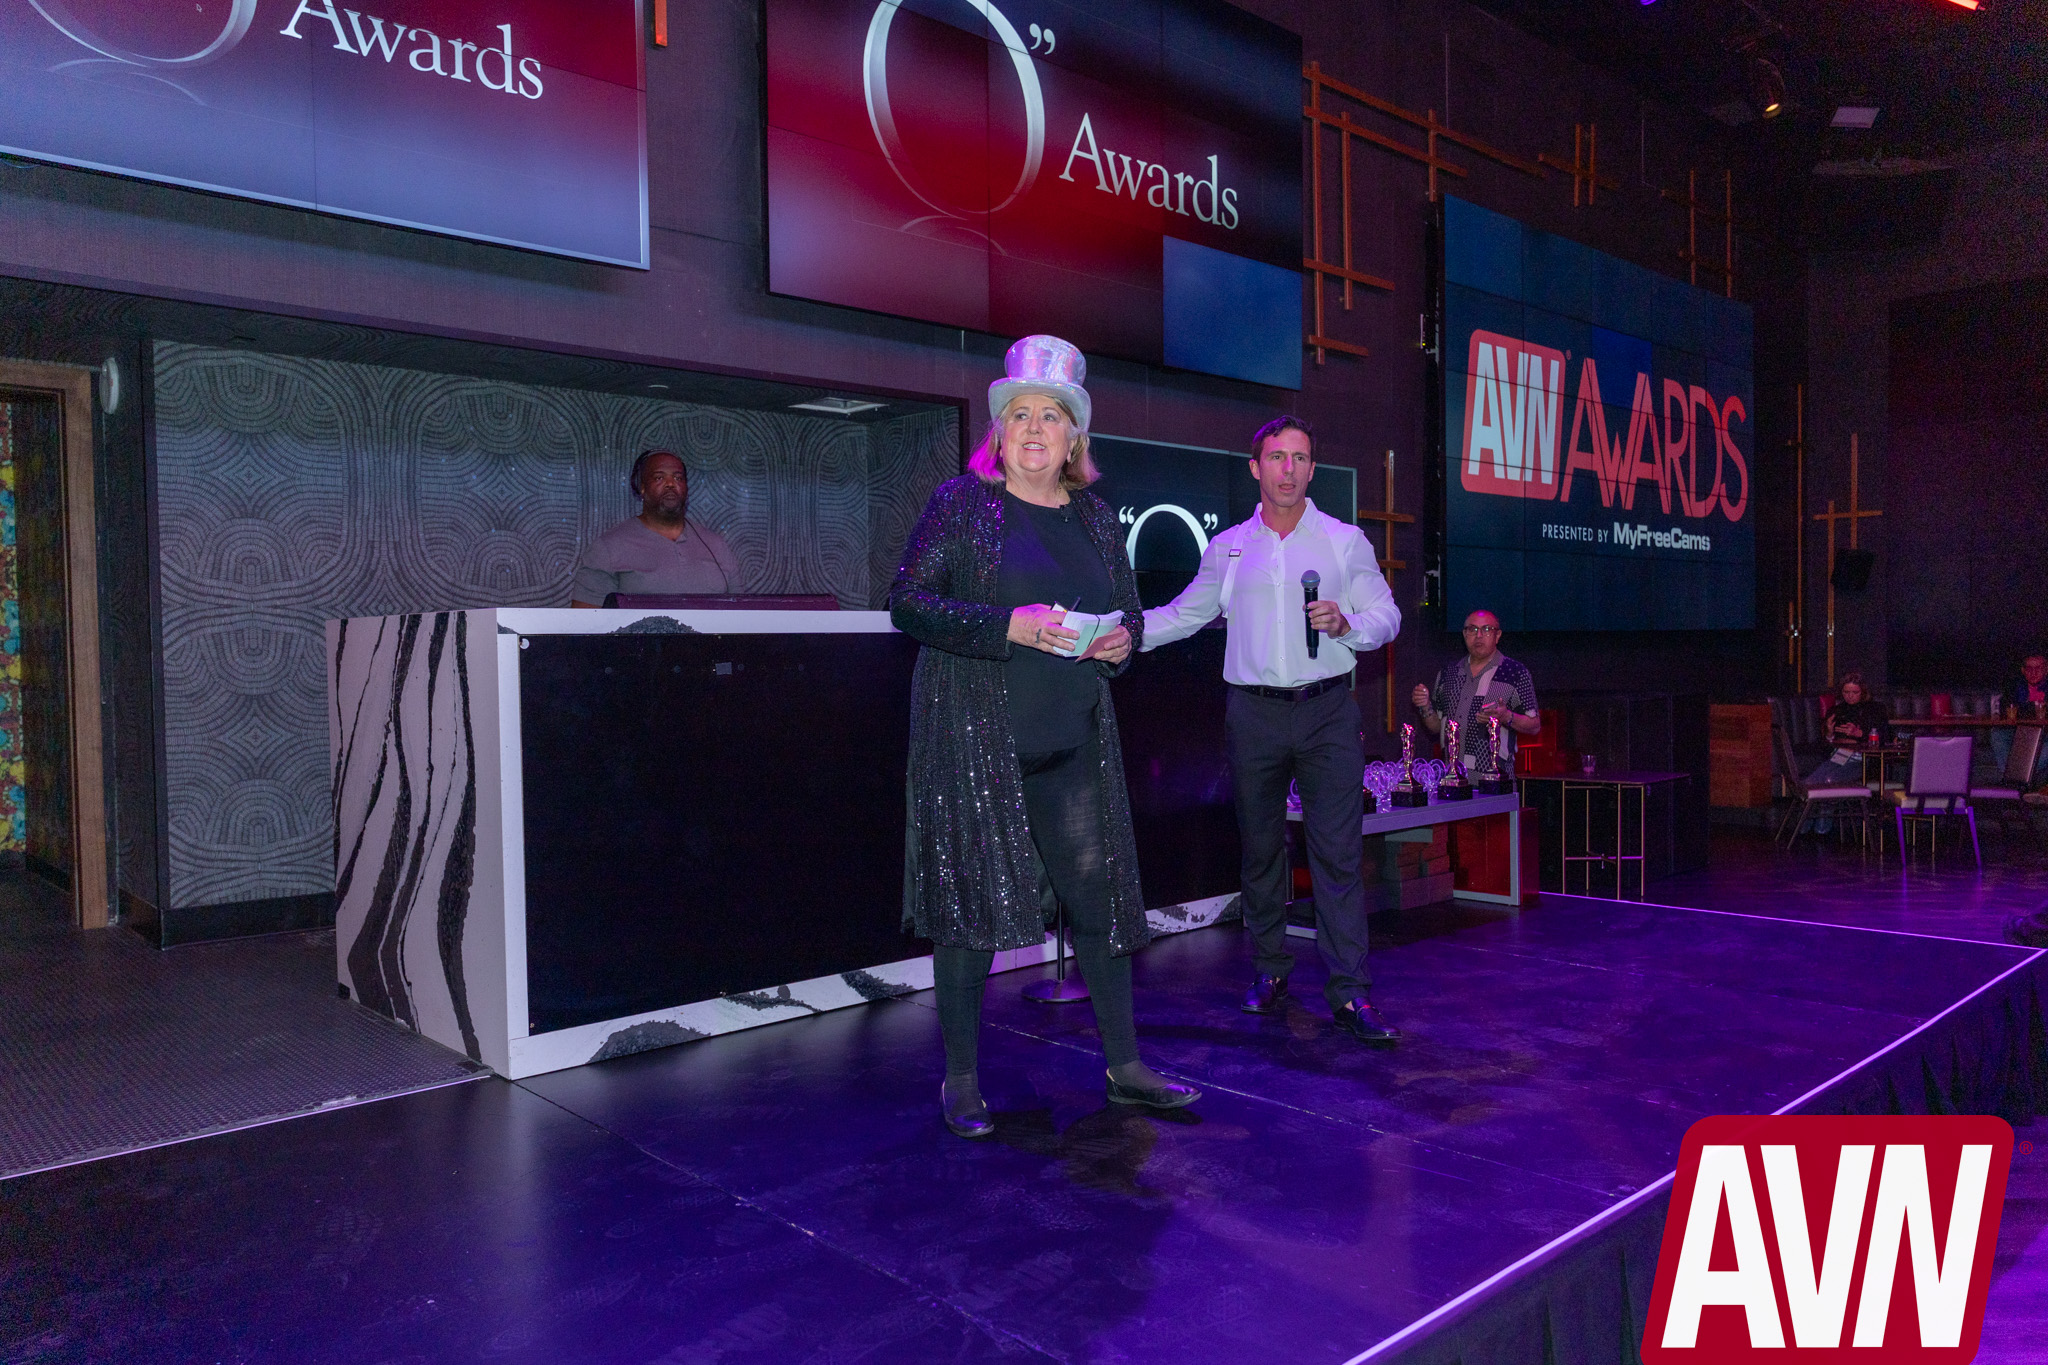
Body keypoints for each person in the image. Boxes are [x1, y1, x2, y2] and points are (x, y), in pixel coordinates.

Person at [890, 334, 1197, 1139]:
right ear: (1000, 432)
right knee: (970, 910)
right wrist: (1009, 625)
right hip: (975, 746)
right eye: (1020, 414)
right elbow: (908, 601)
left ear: (1073, 438)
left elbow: (1130, 615)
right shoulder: (962, 504)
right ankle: (961, 1079)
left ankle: (1125, 1067)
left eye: (1051, 416)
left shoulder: (1095, 518)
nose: (1034, 427)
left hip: (1074, 745)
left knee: (1099, 904)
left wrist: (1120, 643)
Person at [1141, 416, 1403, 1044]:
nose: (1289, 469)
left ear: (1312, 469)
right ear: (1256, 467)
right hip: (1253, 714)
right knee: (1261, 851)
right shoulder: (1229, 547)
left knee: (1337, 854)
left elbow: (1387, 614)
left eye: (1300, 458)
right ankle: (1269, 971)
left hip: (1327, 711)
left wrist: (1349, 626)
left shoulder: (1343, 542)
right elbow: (1183, 615)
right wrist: (1122, 633)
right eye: (1277, 457)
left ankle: (1351, 993)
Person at [570, 450, 739, 606]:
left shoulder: (716, 546)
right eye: (659, 478)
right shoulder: (607, 548)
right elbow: (585, 620)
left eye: (678, 478)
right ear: (641, 488)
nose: (670, 484)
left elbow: (742, 612)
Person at [1410, 610, 1539, 772]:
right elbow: (1436, 727)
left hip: (1495, 780)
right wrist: (1425, 706)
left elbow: (1534, 726)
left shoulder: (1515, 672)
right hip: (1452, 779)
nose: (1478, 635)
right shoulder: (1448, 673)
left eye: (1486, 629)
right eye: (1472, 629)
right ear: (1464, 634)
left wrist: (1506, 716)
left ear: (1497, 635)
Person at [1990, 654, 2048, 787]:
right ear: (2023, 670)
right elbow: (2006, 708)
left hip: (2045, 734)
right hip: (2018, 732)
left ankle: (2013, 780)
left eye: (2038, 668)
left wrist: (2025, 708)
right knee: (1997, 734)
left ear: (2046, 670)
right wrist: (2034, 707)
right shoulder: (2014, 686)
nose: (2033, 673)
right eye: (2029, 668)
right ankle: (2013, 780)